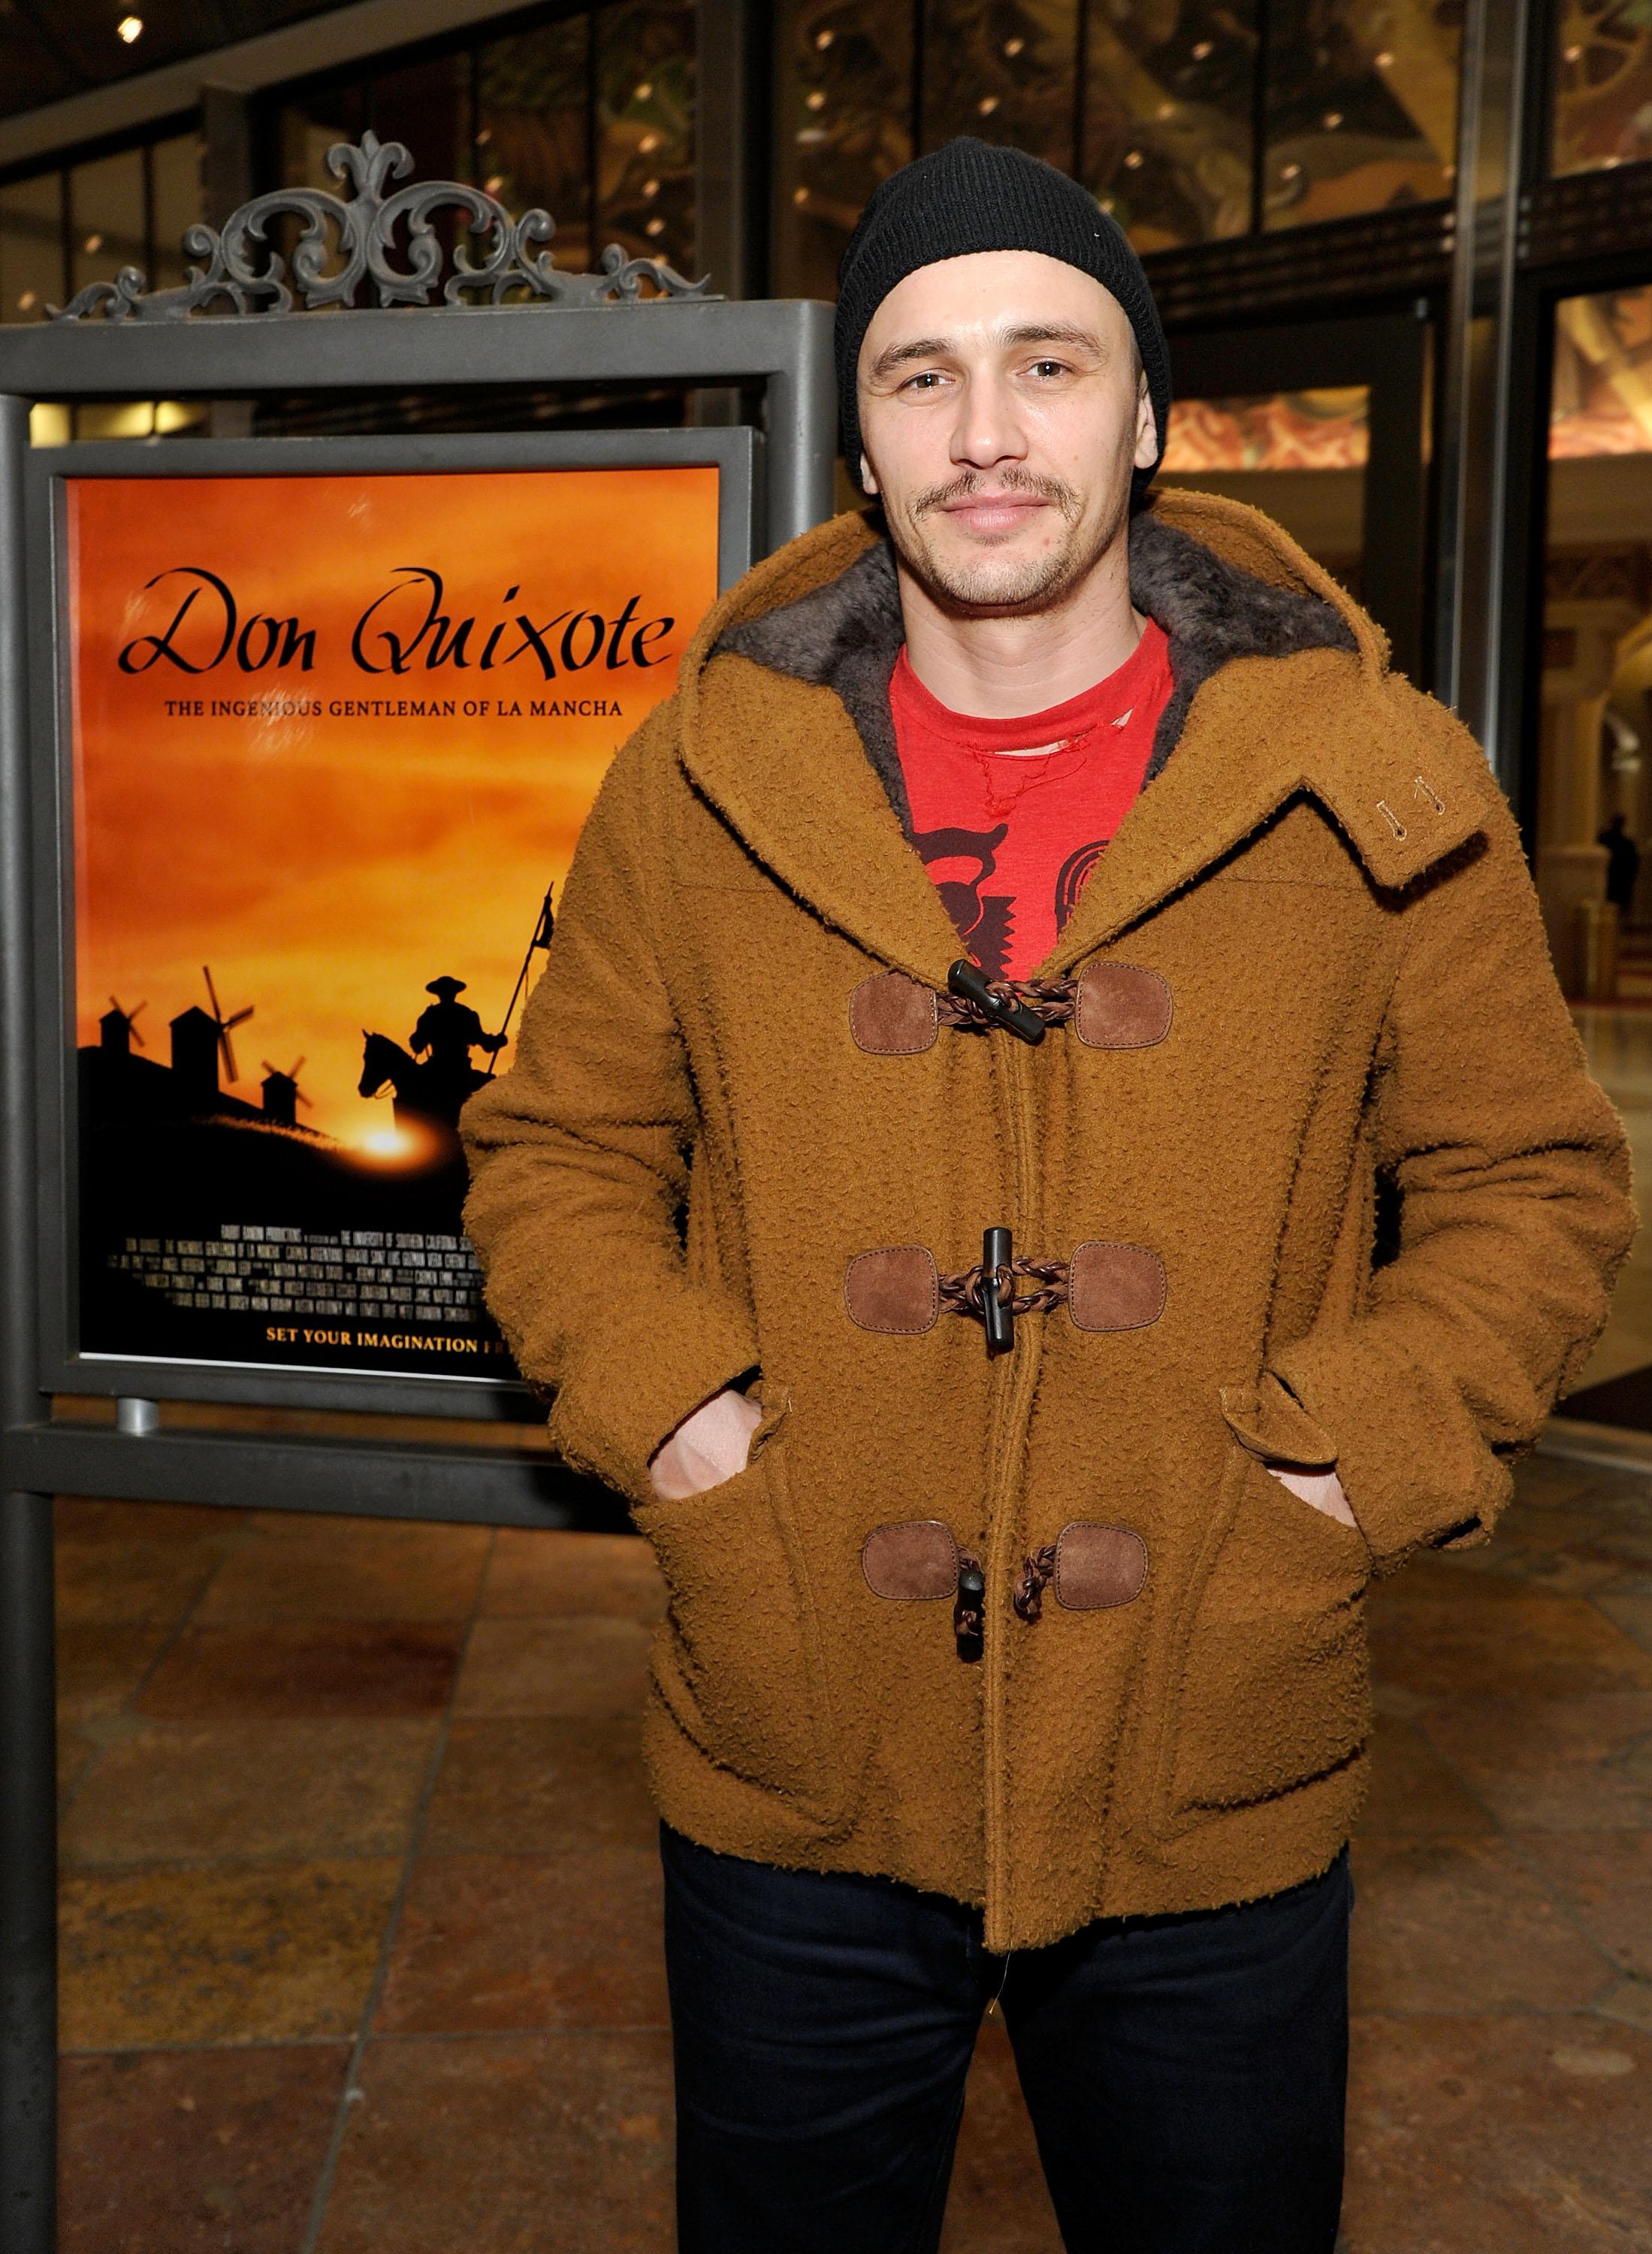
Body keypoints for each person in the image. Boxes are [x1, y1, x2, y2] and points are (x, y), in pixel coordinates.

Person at [461, 138, 1634, 2254]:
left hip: (1207, 1728)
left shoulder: (1368, 775)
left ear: (1150, 417)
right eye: (918, 378)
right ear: (860, 438)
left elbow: (1528, 1185)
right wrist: (682, 1426)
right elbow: (554, 1152)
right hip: (793, 1724)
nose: (983, 435)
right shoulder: (696, 776)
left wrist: (1330, 1473)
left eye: (1044, 365)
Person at [1599, 811, 1640, 915]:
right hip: (1621, 878)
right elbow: (1634, 863)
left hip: (1613, 877)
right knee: (1620, 905)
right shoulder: (1627, 843)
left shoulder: (1606, 839)